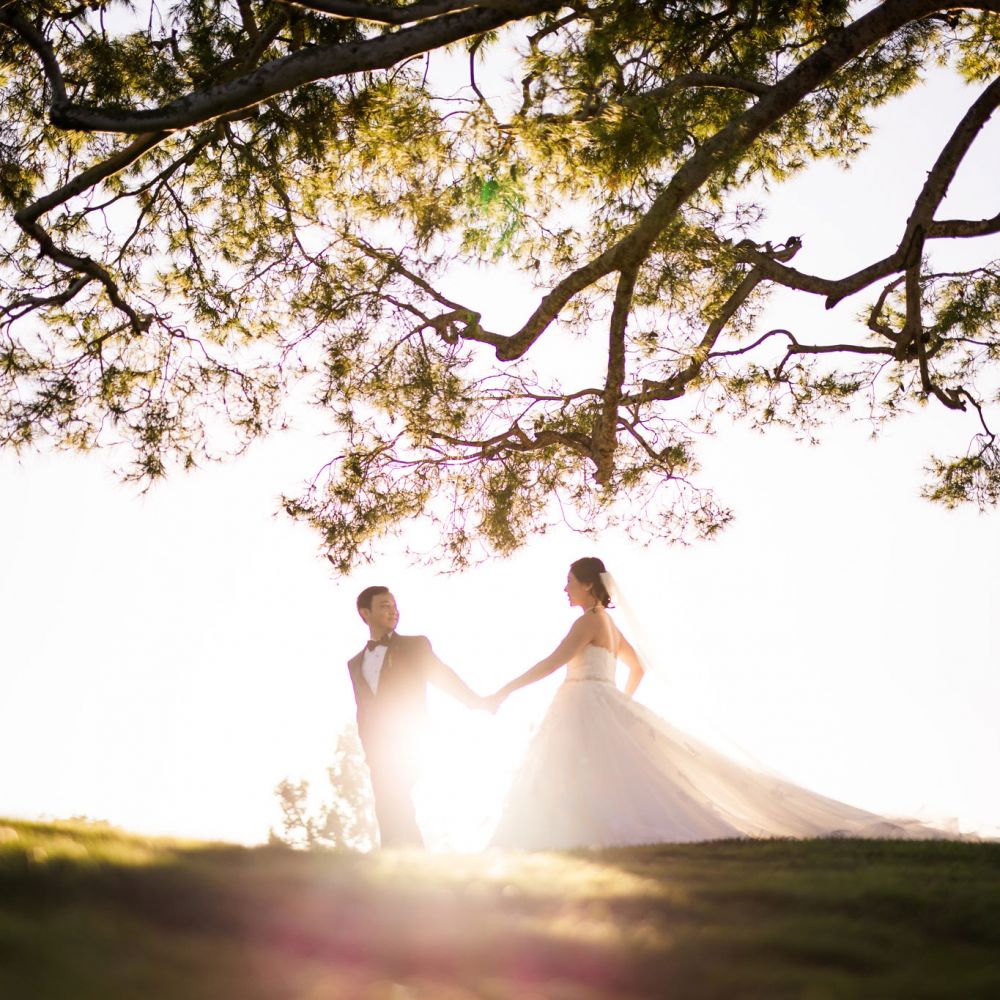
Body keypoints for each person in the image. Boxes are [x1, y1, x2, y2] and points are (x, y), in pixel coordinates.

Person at [487, 556, 959, 849]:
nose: (564, 587)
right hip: (599, 701)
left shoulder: (588, 622)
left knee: (580, 774)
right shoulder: (611, 627)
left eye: (568, 579)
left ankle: (571, 835)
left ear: (589, 584)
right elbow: (638, 667)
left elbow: (552, 664)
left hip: (582, 702)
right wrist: (616, 703)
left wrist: (504, 690)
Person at [348, 585, 487, 848]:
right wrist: (367, 746)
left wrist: (475, 701)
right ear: (365, 613)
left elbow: (442, 675)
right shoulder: (354, 663)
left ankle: (408, 859)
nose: (393, 611)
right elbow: (362, 709)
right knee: (387, 803)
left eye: (393, 605)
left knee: (395, 797)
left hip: (408, 740)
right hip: (376, 747)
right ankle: (399, 858)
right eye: (384, 606)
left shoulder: (415, 646)